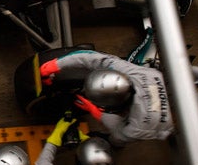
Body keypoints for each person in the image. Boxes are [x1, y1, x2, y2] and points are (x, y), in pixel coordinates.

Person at [40, 49, 173, 146]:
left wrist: (96, 112)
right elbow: (94, 58)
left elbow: (119, 134)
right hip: (172, 85)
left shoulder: (139, 126)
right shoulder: (135, 72)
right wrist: (57, 64)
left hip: (175, 122)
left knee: (116, 141)